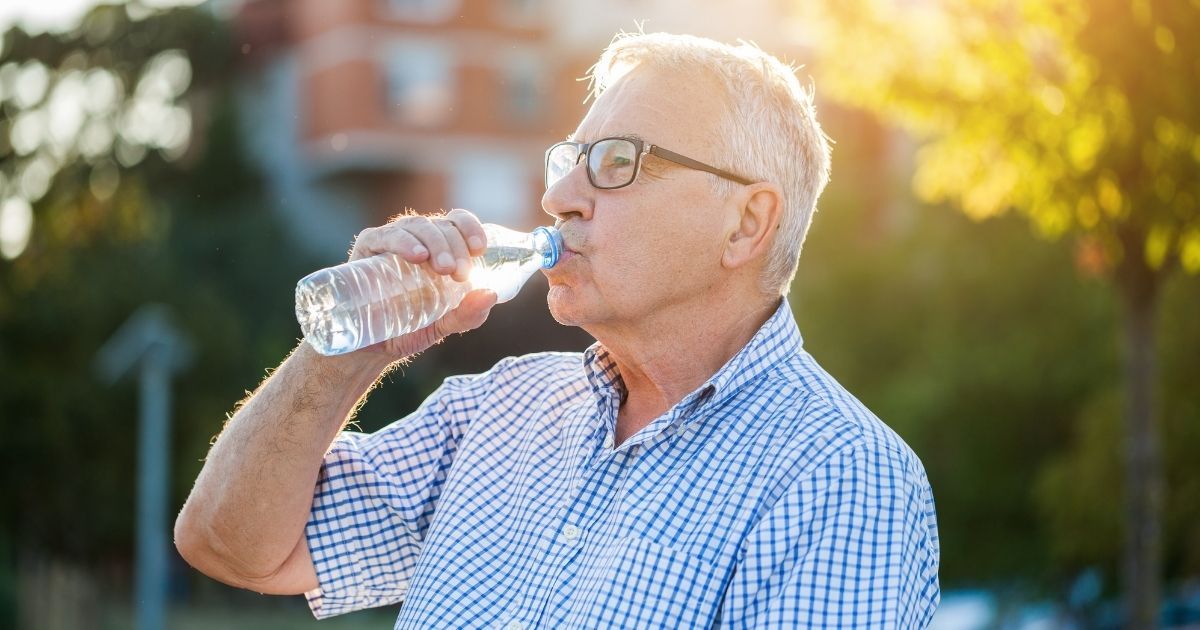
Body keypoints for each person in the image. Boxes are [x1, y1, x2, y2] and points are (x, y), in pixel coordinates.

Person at [175, 32, 940, 628]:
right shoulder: (500, 411)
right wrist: (350, 349)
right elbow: (227, 543)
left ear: (746, 223)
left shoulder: (843, 476)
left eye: (615, 162)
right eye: (568, 161)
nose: (560, 196)